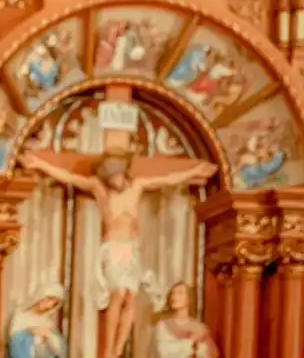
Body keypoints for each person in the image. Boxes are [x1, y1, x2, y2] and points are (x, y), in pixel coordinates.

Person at [20, 149, 217, 358]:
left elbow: (167, 179)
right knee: (119, 293)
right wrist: (41, 165)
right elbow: (70, 177)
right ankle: (108, 349)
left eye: (117, 177)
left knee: (131, 297)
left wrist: (193, 171)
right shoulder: (100, 190)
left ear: (124, 174)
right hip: (113, 249)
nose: (114, 181)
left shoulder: (137, 187)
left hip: (131, 250)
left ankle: (118, 348)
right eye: (110, 178)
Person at [152, 282, 217, 357]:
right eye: (173, 293)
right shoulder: (163, 326)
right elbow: (165, 354)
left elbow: (209, 354)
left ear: (189, 298)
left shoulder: (199, 327)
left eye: (180, 293)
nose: (174, 297)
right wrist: (192, 341)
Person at [7, 283, 67, 358]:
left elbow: (60, 350)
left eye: (54, 303)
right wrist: (30, 332)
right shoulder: (20, 317)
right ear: (40, 296)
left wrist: (49, 336)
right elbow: (14, 343)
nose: (49, 305)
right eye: (49, 299)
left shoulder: (48, 322)